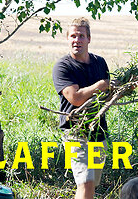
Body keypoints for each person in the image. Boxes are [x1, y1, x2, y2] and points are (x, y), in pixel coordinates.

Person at [52, 18, 110, 199]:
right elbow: (75, 98)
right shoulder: (62, 67)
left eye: (81, 36)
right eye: (73, 36)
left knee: (90, 185)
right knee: (84, 181)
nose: (77, 40)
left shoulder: (100, 63)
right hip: (75, 132)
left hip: (98, 132)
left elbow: (108, 95)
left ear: (89, 39)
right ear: (68, 39)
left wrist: (122, 87)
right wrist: (99, 85)